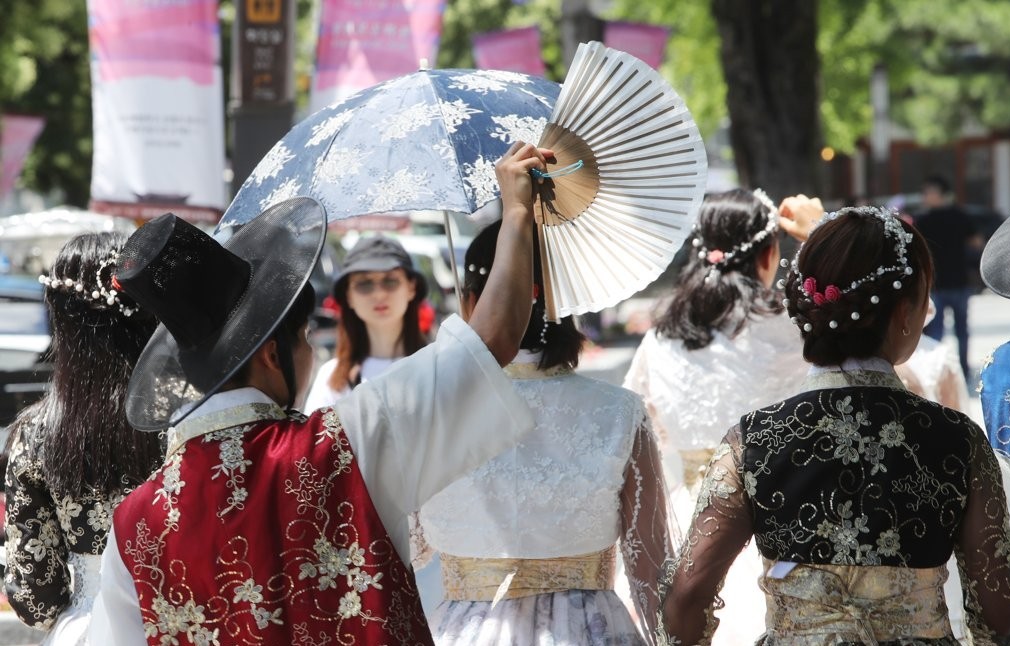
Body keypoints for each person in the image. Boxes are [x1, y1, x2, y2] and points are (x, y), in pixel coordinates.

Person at [89, 141, 553, 645]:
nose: (310, 354)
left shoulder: (135, 522)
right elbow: (492, 341)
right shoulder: (347, 440)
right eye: (305, 339)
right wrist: (515, 211)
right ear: (271, 354)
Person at [660, 204, 1010, 644]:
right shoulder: (956, 440)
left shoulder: (753, 440)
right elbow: (1000, 609)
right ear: (904, 313)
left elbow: (686, 596)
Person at [415, 219, 674, 645]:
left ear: (472, 301)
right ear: (567, 301)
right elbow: (651, 564)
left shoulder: (429, 410)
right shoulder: (619, 411)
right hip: (592, 630)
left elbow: (406, 545)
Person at [622, 189, 815, 644]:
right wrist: (819, 234)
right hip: (783, 516)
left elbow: (635, 425)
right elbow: (900, 321)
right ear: (769, 255)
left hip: (692, 519)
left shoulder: (661, 337)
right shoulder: (793, 331)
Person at [4, 232, 164, 643]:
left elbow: (37, 599)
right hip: (181, 618)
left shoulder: (36, 435)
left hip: (91, 629)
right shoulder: (182, 417)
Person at [303, 235, 427, 412]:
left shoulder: (440, 367)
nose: (379, 294)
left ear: (411, 288)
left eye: (390, 280)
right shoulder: (331, 377)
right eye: (364, 284)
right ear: (348, 295)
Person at [914, 174, 981, 381]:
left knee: (937, 330)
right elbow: (977, 242)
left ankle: (937, 372)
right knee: (961, 330)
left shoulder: (923, 220)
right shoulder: (960, 216)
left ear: (938, 193)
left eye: (927, 192)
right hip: (958, 281)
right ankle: (963, 371)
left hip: (938, 283)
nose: (924, 196)